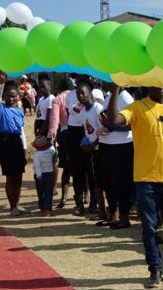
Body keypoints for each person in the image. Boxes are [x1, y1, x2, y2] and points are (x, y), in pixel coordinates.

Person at [105, 85, 163, 289]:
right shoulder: (136, 108)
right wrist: (116, 89)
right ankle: (155, 270)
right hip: (146, 179)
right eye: (155, 82)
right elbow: (112, 121)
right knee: (149, 228)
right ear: (147, 84)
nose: (160, 86)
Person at [97, 85, 134, 229]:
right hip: (106, 144)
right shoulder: (108, 97)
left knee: (122, 182)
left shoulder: (126, 98)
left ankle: (124, 216)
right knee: (107, 181)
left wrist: (111, 126)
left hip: (122, 145)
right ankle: (113, 212)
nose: (104, 83)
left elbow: (131, 124)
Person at [0, 74, 27, 216]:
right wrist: (1, 85)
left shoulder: (20, 111)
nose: (11, 99)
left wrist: (24, 149)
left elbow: (22, 132)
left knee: (19, 176)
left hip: (17, 143)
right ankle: (12, 206)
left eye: (14, 96)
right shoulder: (0, 109)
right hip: (5, 143)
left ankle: (17, 205)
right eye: (9, 96)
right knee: (10, 176)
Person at [66, 82, 102, 217]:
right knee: (78, 173)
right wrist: (84, 143)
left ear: (90, 93)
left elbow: (104, 129)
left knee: (93, 176)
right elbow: (86, 128)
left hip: (96, 149)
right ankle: (79, 204)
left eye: (83, 93)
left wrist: (92, 146)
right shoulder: (81, 110)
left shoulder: (98, 108)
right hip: (82, 144)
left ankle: (94, 203)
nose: (80, 96)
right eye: (78, 94)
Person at [48, 78, 74, 209]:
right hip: (78, 132)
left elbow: (54, 120)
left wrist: (51, 136)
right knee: (82, 168)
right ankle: (86, 196)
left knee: (67, 168)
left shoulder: (57, 99)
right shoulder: (75, 96)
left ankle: (63, 197)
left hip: (65, 133)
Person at [32, 135, 57, 217]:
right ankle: (48, 210)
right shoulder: (51, 151)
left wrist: (39, 176)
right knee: (48, 193)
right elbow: (54, 149)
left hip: (39, 176)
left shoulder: (36, 154)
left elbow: (37, 166)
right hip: (49, 174)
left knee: (40, 193)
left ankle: (42, 207)